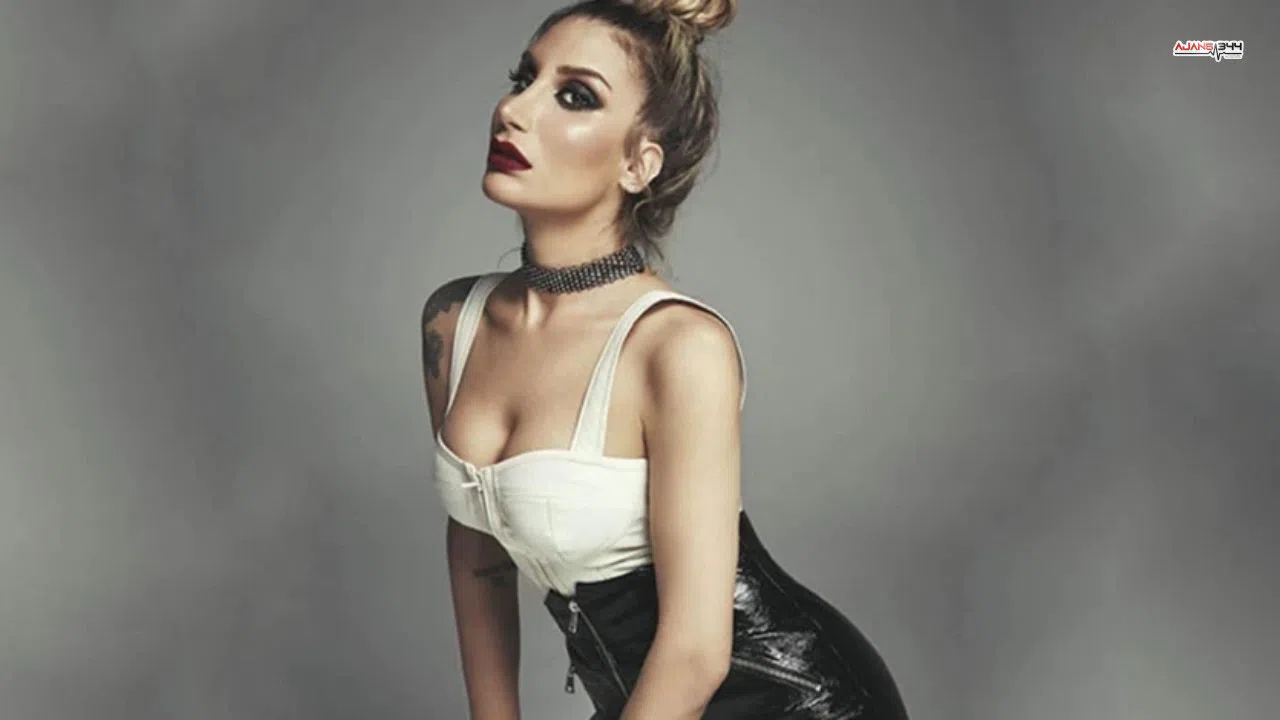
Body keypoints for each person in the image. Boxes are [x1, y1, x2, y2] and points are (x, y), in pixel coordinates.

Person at [420, 1, 910, 717]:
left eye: (574, 96)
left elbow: (696, 652)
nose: (513, 111)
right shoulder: (453, 324)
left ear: (638, 163)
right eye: (523, 79)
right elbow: (480, 562)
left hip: (790, 701)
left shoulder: (679, 347)